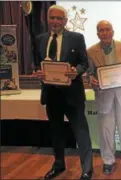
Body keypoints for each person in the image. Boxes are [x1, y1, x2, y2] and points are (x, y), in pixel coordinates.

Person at [33, 5, 93, 180]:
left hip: (72, 93)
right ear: (48, 19)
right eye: (53, 18)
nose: (56, 21)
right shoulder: (40, 39)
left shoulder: (77, 38)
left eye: (59, 18)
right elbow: (38, 63)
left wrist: (77, 71)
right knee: (56, 132)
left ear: (65, 21)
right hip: (51, 93)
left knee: (81, 131)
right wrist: (38, 72)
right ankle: (59, 165)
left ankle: (87, 169)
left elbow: (85, 63)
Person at [87, 20, 121, 174]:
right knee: (106, 131)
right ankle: (108, 160)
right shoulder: (90, 51)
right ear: (97, 33)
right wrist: (91, 80)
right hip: (104, 96)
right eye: (101, 30)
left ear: (113, 32)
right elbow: (89, 72)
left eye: (107, 29)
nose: (105, 32)